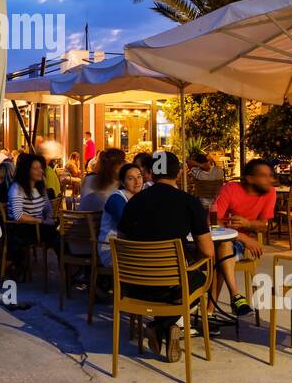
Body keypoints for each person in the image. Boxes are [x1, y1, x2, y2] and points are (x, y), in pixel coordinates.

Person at [116, 152, 215, 363]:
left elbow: (122, 240)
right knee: (201, 276)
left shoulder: (133, 202)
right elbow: (207, 252)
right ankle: (164, 325)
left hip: (134, 285)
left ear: (150, 172)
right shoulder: (189, 202)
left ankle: (162, 325)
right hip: (172, 286)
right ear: (178, 173)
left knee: (177, 282)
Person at [211, 159, 271, 315]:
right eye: (263, 176)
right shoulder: (230, 189)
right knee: (222, 249)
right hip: (224, 239)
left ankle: (210, 311)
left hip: (239, 246)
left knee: (222, 254)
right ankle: (234, 298)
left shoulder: (270, 192)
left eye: (269, 175)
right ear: (250, 178)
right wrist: (242, 237)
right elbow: (212, 221)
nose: (269, 180)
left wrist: (248, 224)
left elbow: (264, 226)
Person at [6, 153, 57, 278]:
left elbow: (48, 208)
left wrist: (49, 217)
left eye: (41, 168)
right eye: (35, 168)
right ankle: (68, 265)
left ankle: (68, 262)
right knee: (58, 236)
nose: (40, 171)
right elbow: (18, 216)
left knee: (62, 232)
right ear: (26, 171)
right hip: (21, 230)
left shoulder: (40, 187)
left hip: (38, 228)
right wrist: (40, 221)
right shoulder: (17, 188)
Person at [99, 162, 144, 270]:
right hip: (112, 250)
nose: (137, 182)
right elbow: (127, 225)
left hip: (129, 246)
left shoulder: (139, 197)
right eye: (131, 178)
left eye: (139, 176)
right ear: (123, 183)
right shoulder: (116, 198)